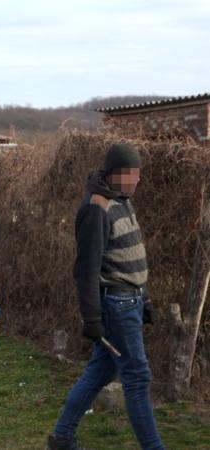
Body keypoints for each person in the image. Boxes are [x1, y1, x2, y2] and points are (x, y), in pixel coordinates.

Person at [46, 144, 165, 450]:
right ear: (115, 174)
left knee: (102, 369)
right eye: (132, 174)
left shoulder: (121, 200)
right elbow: (87, 269)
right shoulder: (97, 208)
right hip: (116, 304)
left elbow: (132, 256)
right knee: (137, 378)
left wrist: (146, 299)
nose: (138, 180)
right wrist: (92, 319)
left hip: (132, 300)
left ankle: (62, 438)